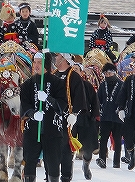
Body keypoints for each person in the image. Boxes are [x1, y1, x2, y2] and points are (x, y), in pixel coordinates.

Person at [20, 52, 67, 182]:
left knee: (53, 163)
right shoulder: (26, 85)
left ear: (46, 64)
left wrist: (49, 99)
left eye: (39, 62)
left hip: (52, 130)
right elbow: (24, 105)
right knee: (29, 161)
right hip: (32, 131)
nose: (36, 65)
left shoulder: (58, 83)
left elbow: (62, 104)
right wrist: (32, 113)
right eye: (34, 62)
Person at [53, 53, 87, 182]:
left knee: (65, 148)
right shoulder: (54, 74)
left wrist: (75, 114)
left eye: (58, 56)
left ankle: (66, 176)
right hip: (52, 118)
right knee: (52, 147)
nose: (55, 58)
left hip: (67, 118)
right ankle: (51, 174)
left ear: (64, 59)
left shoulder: (74, 76)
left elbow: (79, 97)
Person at [72, 62, 100, 179]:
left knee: (88, 148)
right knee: (68, 146)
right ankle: (68, 168)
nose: (74, 71)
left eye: (77, 69)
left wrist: (95, 117)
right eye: (72, 69)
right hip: (70, 120)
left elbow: (95, 102)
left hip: (86, 119)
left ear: (82, 72)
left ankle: (86, 165)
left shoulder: (88, 86)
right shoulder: (65, 85)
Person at [96, 63, 123, 169]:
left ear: (114, 73)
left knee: (117, 140)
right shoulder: (102, 85)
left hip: (117, 117)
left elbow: (124, 99)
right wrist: (99, 109)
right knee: (103, 139)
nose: (107, 75)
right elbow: (98, 99)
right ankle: (102, 159)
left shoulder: (121, 84)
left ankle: (116, 162)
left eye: (109, 73)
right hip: (105, 116)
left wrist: (121, 109)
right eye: (106, 73)